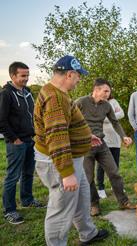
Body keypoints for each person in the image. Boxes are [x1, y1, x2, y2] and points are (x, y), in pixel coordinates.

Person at [34, 55, 108, 245]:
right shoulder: (55, 98)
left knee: (82, 197)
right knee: (61, 208)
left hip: (73, 158)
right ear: (69, 74)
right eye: (78, 76)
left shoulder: (57, 91)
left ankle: (88, 233)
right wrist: (66, 173)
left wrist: (85, 137)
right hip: (61, 162)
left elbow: (63, 127)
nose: (79, 80)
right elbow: (56, 138)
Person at [76, 78, 135, 216]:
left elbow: (115, 122)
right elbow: (69, 119)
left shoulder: (107, 106)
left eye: (109, 92)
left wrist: (123, 136)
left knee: (114, 172)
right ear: (96, 90)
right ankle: (94, 204)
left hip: (101, 144)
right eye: (105, 91)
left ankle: (123, 201)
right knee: (89, 178)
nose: (108, 94)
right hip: (85, 146)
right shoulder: (81, 102)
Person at [0, 62, 44, 225]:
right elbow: (1, 121)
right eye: (23, 75)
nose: (26, 78)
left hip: (30, 140)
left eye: (27, 75)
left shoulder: (27, 92)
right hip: (16, 142)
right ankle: (9, 210)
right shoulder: (6, 94)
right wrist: (14, 139)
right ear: (13, 76)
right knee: (13, 176)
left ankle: (27, 199)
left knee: (28, 173)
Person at [96, 92, 125, 199]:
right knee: (101, 166)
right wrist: (112, 116)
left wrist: (108, 115)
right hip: (103, 138)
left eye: (108, 91)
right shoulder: (97, 103)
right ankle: (101, 188)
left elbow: (122, 113)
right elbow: (100, 118)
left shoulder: (113, 101)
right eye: (104, 91)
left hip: (115, 138)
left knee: (115, 164)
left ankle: (115, 186)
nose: (106, 93)